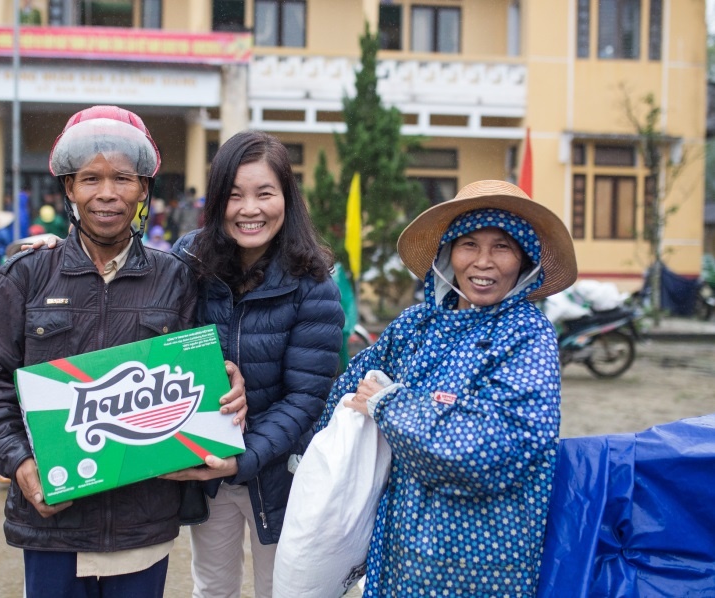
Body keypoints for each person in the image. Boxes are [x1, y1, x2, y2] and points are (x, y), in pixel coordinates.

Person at [0, 105, 246, 598]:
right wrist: (20, 465)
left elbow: (201, 375)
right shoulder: (25, 276)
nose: (107, 193)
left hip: (143, 525)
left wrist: (227, 384)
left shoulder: (176, 278)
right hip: (52, 524)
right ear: (69, 189)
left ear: (143, 190)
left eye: (122, 178)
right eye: (90, 178)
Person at [316, 180, 578, 596]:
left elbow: (490, 448)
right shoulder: (415, 325)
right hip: (400, 551)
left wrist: (389, 405)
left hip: (484, 564)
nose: (483, 262)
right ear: (448, 253)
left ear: (524, 259)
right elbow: (348, 390)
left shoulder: (528, 335)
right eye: (469, 244)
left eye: (502, 247)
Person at [163, 130, 345, 597]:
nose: (250, 209)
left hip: (281, 472)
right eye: (234, 195)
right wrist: (57, 252)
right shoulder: (189, 260)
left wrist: (242, 458)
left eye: (265, 193)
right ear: (216, 200)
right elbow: (135, 297)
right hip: (207, 466)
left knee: (279, 588)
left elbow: (306, 397)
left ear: (287, 197)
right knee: (212, 586)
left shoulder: (313, 284)